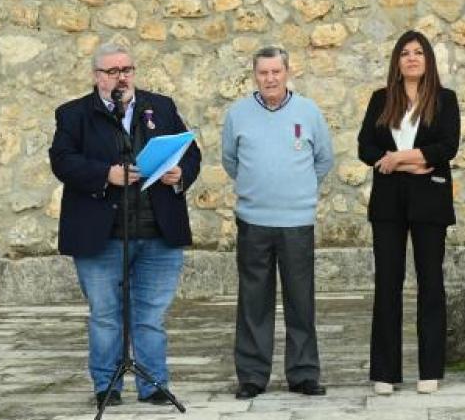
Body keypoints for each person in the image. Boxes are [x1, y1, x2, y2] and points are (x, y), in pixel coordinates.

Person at [49, 43, 201, 409]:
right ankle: (108, 385)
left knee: (150, 315)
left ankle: (153, 385)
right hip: (102, 233)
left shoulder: (160, 106)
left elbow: (190, 152)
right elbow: (63, 161)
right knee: (105, 315)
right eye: (113, 71)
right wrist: (107, 174)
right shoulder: (74, 114)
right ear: (96, 76)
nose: (122, 77)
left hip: (157, 231)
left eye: (127, 69)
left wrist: (180, 173)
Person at [221, 46, 335, 400]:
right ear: (254, 75)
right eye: (263, 73)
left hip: (297, 222)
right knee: (254, 300)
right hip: (254, 221)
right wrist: (259, 191)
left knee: (301, 300)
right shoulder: (237, 114)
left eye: (276, 72)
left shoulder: (309, 111)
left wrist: (296, 193)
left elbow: (323, 160)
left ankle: (303, 373)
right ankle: (253, 376)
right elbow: (230, 161)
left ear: (287, 72)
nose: (270, 79)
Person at [357, 31, 460, 396]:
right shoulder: (381, 99)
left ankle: (430, 369)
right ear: (396, 61)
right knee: (388, 282)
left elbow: (447, 145)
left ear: (428, 60)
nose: (412, 58)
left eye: (419, 52)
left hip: (429, 200)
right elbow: (365, 147)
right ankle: (385, 371)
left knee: (430, 282)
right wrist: (406, 163)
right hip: (388, 202)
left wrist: (399, 158)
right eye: (405, 53)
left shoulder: (445, 100)